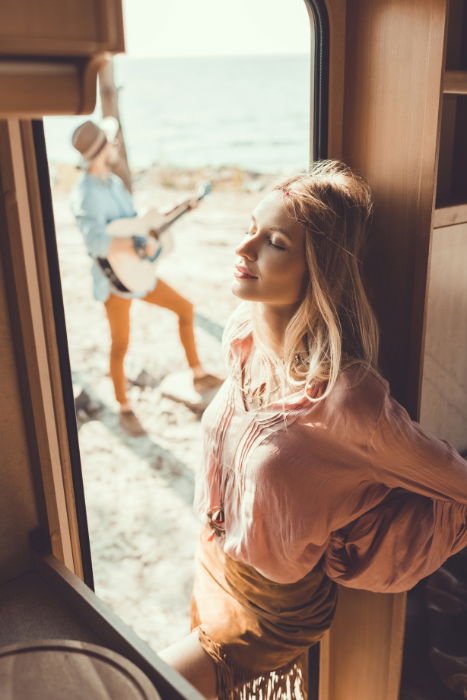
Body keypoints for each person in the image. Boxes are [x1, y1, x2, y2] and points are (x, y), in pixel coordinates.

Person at [158, 160, 467, 699]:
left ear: (318, 269)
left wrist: (367, 538)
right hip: (211, 564)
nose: (244, 250)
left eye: (274, 241)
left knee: (135, 684)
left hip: (270, 612)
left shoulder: (350, 400)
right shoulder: (241, 338)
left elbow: (456, 483)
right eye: (249, 228)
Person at [70, 118, 222, 436]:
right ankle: (124, 407)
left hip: (140, 274)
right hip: (113, 282)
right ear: (99, 151)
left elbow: (134, 223)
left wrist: (173, 210)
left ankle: (197, 373)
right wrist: (136, 243)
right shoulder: (85, 194)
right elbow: (95, 242)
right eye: (109, 142)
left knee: (185, 309)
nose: (114, 146)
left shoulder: (113, 182)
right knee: (120, 345)